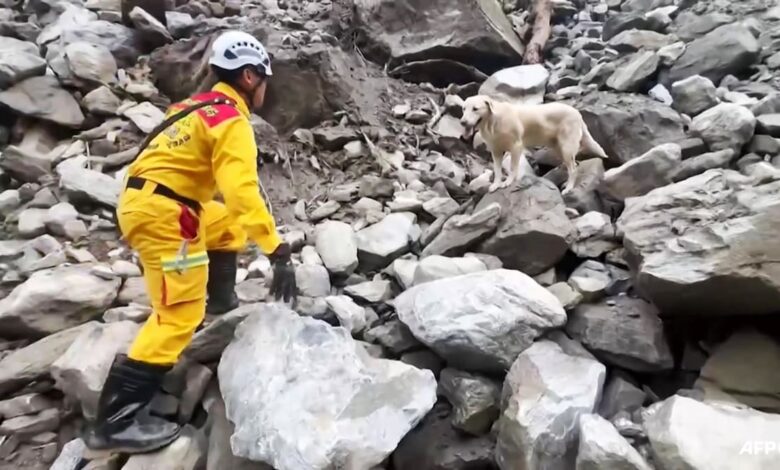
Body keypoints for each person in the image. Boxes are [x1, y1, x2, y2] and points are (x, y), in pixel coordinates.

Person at [83, 30, 297, 455]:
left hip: (152, 202)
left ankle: (220, 305)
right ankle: (114, 420)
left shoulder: (193, 108)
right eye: (265, 80)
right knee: (178, 313)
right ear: (251, 77)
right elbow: (242, 192)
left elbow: (226, 204)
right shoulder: (231, 120)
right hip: (167, 218)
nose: (265, 90)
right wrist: (277, 251)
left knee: (224, 224)